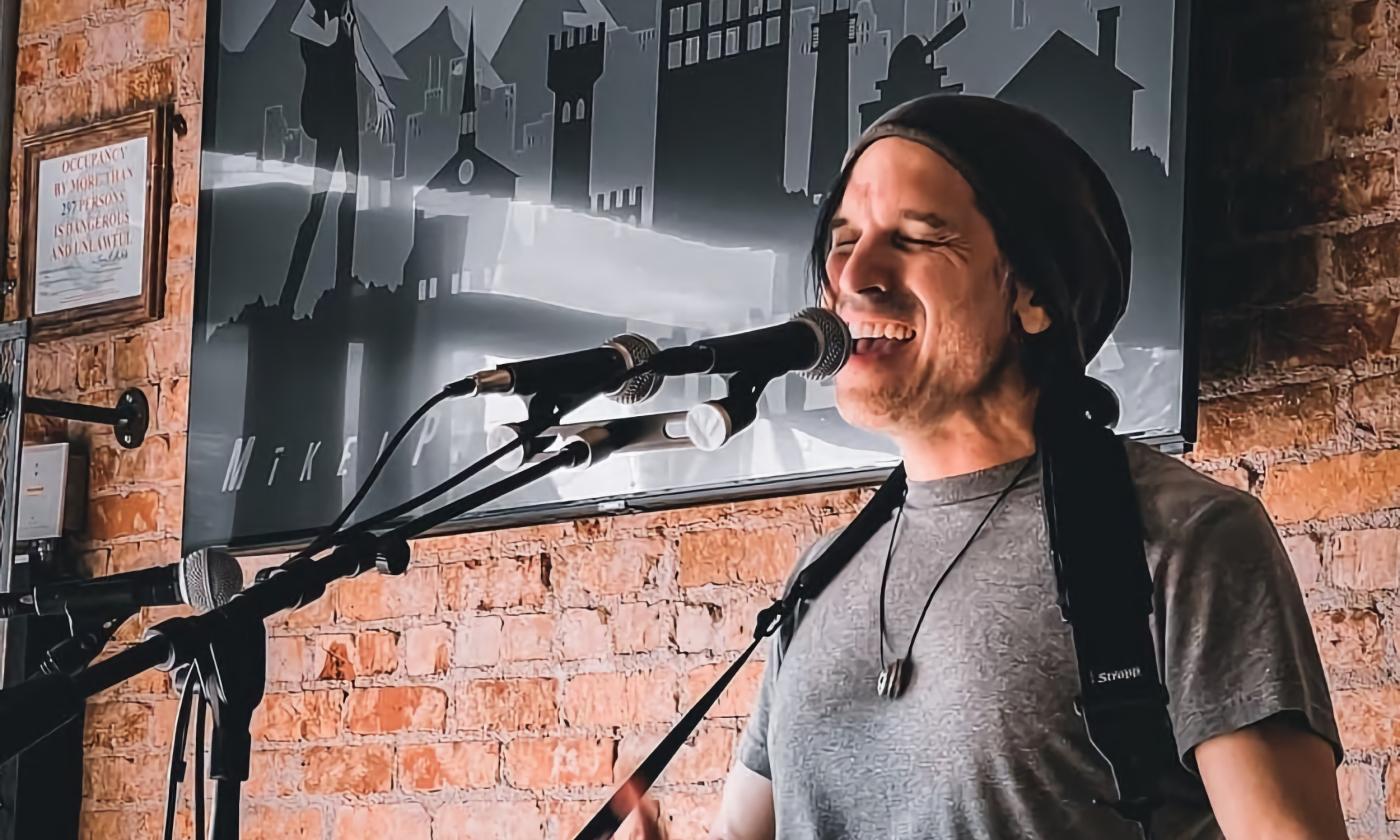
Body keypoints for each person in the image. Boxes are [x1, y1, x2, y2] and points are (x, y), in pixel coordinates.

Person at [622, 95, 1346, 839]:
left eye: (915, 238)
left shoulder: (1185, 539)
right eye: (844, 239)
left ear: (1033, 294)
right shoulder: (823, 571)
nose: (856, 276)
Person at [280, 0, 396, 311]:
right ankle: (287, 300)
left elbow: (358, 52)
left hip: (348, 118)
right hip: (327, 120)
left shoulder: (344, 10)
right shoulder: (310, 11)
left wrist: (381, 92)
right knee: (318, 207)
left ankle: (342, 282)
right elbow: (327, 37)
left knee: (350, 198)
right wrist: (339, 19)